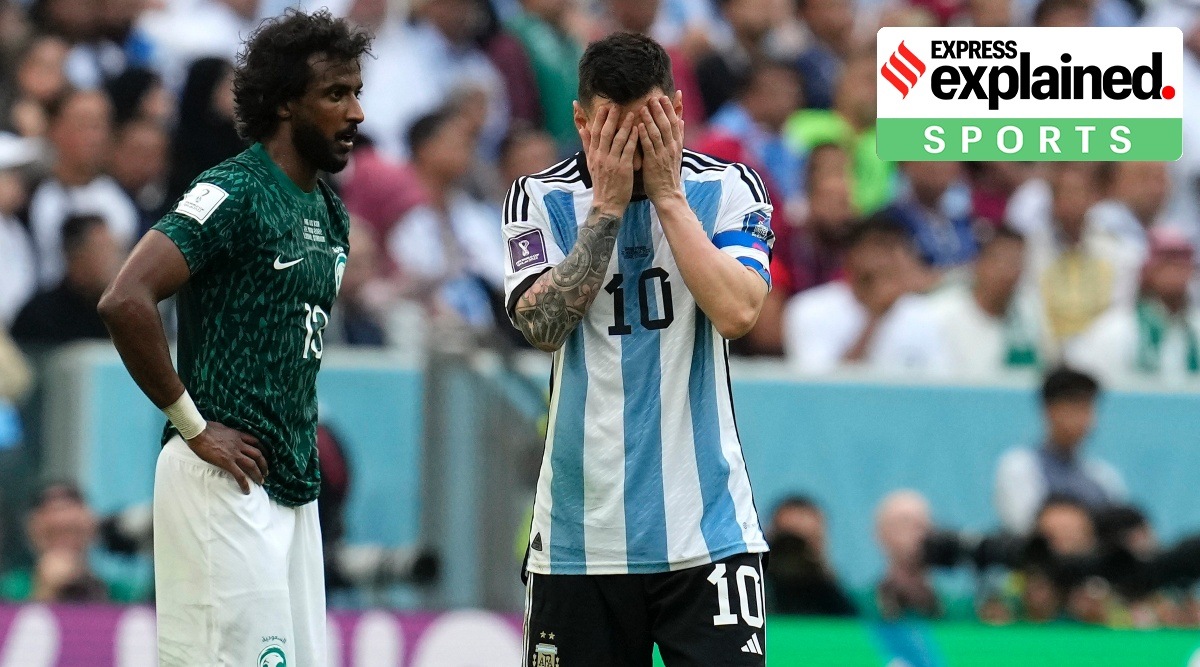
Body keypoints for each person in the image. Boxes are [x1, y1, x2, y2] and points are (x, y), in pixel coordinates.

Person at [97, 10, 369, 665]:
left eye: (357, 92)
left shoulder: (329, 210)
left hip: (291, 483)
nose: (356, 112)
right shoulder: (233, 190)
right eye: (336, 94)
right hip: (222, 475)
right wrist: (193, 425)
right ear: (284, 104)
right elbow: (125, 299)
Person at [503, 32, 773, 665]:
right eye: (613, 129)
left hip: (708, 533)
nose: (633, 145)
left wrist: (669, 197)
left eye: (650, 123)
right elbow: (540, 328)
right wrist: (606, 208)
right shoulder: (540, 198)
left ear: (677, 109)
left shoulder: (730, 188)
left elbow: (738, 312)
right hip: (579, 540)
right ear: (579, 119)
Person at [783, 216, 949, 376]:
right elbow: (821, 392)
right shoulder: (808, 310)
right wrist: (875, 317)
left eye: (894, 248)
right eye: (878, 247)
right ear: (851, 256)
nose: (887, 259)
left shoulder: (925, 315)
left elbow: (938, 389)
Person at [993, 367, 1127, 535]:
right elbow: (1029, 530)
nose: (1084, 418)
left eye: (1088, 408)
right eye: (1075, 406)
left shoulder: (1103, 476)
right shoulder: (1019, 466)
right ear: (1049, 410)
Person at [27, 88, 138, 289]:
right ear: (55, 129)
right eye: (85, 124)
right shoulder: (25, 198)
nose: (96, 137)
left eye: (101, 124)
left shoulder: (125, 199)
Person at [1067, 228, 1200, 385]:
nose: (1174, 273)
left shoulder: (1195, 327)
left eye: (1180, 264)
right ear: (1146, 270)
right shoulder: (1115, 329)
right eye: (1166, 264)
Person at [928, 227, 1043, 377]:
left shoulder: (1028, 313)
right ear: (979, 263)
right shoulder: (940, 314)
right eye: (1001, 261)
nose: (1008, 272)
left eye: (1016, 262)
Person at [12, 214, 122, 345]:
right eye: (104, 251)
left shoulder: (119, 316)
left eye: (115, 250)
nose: (115, 262)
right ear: (75, 257)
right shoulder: (38, 317)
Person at [764, 495, 856, 616]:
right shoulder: (749, 597)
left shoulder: (837, 602)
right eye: (790, 544)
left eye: (810, 542)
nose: (797, 557)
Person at [874, 489, 941, 620]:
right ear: (880, 534)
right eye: (905, 523)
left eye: (922, 525)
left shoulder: (957, 610)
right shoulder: (859, 608)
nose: (918, 535)